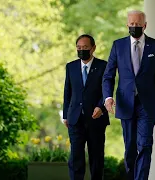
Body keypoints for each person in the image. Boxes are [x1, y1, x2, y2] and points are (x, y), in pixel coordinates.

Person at [102, 10, 155, 180]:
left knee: (145, 144)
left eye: (138, 24)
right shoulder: (118, 46)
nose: (134, 27)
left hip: (147, 104)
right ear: (127, 25)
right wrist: (108, 98)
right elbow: (108, 75)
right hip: (125, 104)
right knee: (130, 148)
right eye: (131, 24)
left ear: (144, 25)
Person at [63, 34, 109, 180]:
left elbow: (107, 90)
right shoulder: (71, 67)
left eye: (85, 48)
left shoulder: (103, 66)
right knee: (76, 156)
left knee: (96, 157)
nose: (81, 50)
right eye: (79, 48)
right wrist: (65, 115)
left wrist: (101, 107)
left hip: (96, 118)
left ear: (93, 48)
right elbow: (67, 92)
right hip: (75, 119)